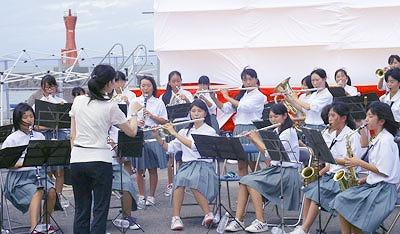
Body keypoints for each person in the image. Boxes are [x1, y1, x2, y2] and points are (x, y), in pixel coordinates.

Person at [69, 64, 141, 234]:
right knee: (100, 210)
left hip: (77, 159)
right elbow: (131, 132)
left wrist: (75, 152)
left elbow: (73, 134)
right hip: (100, 160)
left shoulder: (78, 100)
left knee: (81, 209)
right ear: (109, 84)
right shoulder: (110, 106)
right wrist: (134, 112)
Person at [225, 103, 301, 233]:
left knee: (251, 182)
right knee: (245, 180)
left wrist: (257, 138)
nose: (273, 120)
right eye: (271, 117)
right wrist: (254, 140)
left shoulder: (288, 132)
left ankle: (261, 221)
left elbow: (271, 153)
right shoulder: (277, 130)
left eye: (276, 116)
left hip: (287, 173)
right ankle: (239, 219)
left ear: (285, 116)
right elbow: (269, 154)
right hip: (276, 169)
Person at [290, 102, 362, 234]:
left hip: (344, 178)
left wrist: (328, 158)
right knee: (309, 190)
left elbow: (353, 162)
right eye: (329, 115)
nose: (329, 119)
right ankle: (303, 227)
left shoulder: (352, 136)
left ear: (343, 118)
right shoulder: (333, 134)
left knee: (317, 193)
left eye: (333, 115)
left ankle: (304, 228)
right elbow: (330, 164)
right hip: (332, 175)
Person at [330, 102, 400, 234]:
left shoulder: (386, 140)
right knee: (342, 201)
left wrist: (359, 163)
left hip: (384, 190)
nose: (366, 119)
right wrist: (364, 179)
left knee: (352, 209)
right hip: (375, 185)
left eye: (370, 116)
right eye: (366, 115)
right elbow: (378, 167)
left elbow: (384, 171)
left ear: (381, 121)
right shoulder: (377, 137)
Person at [153, 99, 218, 231]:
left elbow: (194, 147)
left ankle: (208, 214)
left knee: (191, 179)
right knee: (180, 179)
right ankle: (176, 217)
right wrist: (157, 136)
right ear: (190, 113)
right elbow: (169, 148)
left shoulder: (209, 131)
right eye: (193, 111)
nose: (196, 114)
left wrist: (174, 132)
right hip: (187, 166)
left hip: (204, 165)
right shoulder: (184, 131)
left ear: (205, 113)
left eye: (199, 111)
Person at [3, 103, 57, 233]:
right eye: (25, 117)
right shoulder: (12, 139)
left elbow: (46, 158)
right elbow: (5, 163)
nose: (29, 120)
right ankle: (34, 228)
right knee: (37, 191)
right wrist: (25, 163)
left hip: (38, 175)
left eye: (31, 116)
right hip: (19, 178)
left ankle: (45, 224)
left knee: (52, 192)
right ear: (18, 119)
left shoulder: (39, 136)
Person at [211, 67, 265, 176]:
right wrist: (214, 98)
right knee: (241, 164)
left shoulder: (259, 96)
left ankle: (258, 188)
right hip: (239, 129)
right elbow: (226, 109)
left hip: (251, 129)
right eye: (245, 80)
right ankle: (243, 188)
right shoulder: (242, 95)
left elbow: (245, 107)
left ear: (256, 80)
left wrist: (226, 96)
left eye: (250, 79)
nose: (248, 82)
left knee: (253, 163)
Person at [133, 75, 168, 208]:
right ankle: (141, 195)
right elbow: (128, 119)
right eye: (143, 85)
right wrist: (137, 121)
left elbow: (165, 120)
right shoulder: (135, 101)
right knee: (139, 168)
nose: (145, 88)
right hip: (140, 134)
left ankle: (151, 196)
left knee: (152, 168)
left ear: (153, 87)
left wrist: (152, 116)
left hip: (153, 135)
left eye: (148, 85)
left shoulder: (158, 102)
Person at [34, 75, 68, 200]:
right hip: (44, 137)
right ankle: (50, 195)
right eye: (46, 87)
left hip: (59, 136)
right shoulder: (37, 104)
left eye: (51, 86)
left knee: (59, 169)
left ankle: (58, 197)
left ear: (55, 87)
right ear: (42, 88)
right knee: (47, 169)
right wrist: (46, 126)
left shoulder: (61, 102)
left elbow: (66, 122)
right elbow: (34, 125)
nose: (49, 89)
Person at [160, 71, 194, 197]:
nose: (176, 84)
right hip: (172, 125)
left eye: (178, 81)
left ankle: (185, 182)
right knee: (171, 155)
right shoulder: (164, 97)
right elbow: (162, 114)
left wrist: (188, 101)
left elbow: (194, 112)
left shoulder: (187, 94)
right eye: (173, 81)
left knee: (185, 153)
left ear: (181, 81)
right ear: (169, 83)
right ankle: (170, 183)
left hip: (185, 125)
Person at [107, 126, 140, 230]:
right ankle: (97, 220)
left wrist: (116, 148)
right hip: (99, 166)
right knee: (94, 189)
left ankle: (127, 217)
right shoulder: (94, 128)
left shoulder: (117, 132)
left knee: (127, 183)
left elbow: (122, 160)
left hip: (115, 166)